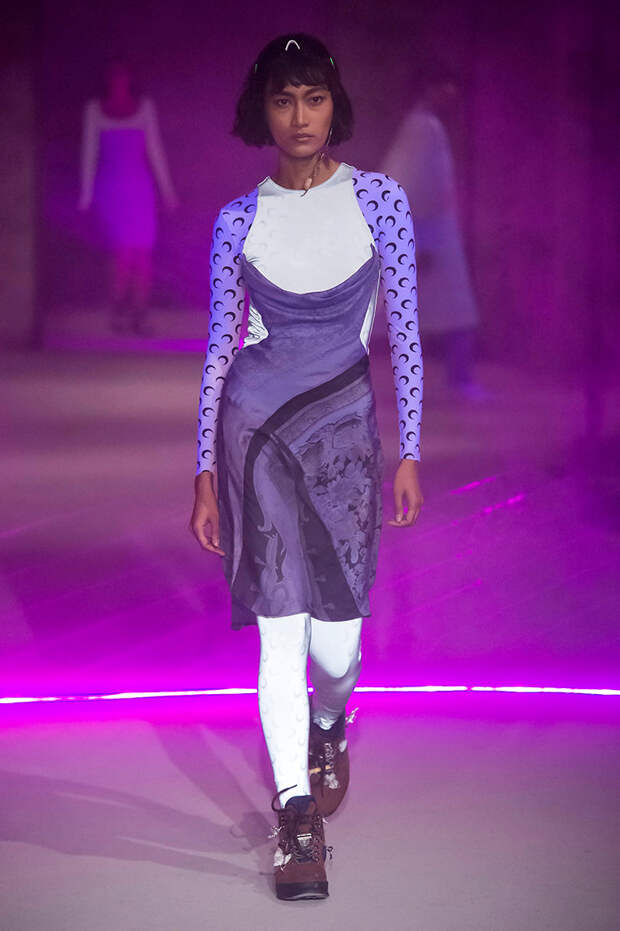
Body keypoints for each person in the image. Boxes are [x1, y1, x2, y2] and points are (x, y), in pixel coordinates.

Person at [190, 34, 423, 901]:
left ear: (334, 105)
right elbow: (219, 350)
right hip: (256, 435)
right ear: (264, 109)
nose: (299, 116)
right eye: (284, 99)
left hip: (346, 441)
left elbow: (404, 330)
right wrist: (203, 468)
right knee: (279, 628)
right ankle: (295, 820)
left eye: (314, 98)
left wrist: (411, 449)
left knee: (338, 643)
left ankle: (331, 719)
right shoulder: (237, 221)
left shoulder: (380, 201)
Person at [382, 65, 483, 397]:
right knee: (451, 310)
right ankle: (458, 380)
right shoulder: (423, 127)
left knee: (442, 311)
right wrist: (415, 240)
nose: (451, 94)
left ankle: (457, 379)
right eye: (445, 85)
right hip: (428, 233)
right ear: (429, 87)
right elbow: (412, 183)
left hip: (432, 232)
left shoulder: (423, 126)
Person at [78, 59, 178, 335]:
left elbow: (155, 150)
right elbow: (90, 152)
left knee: (142, 254)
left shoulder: (143, 107)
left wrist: (167, 191)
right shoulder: (95, 110)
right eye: (115, 78)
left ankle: (140, 313)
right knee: (121, 253)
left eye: (124, 77)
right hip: (111, 190)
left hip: (140, 189)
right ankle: (119, 312)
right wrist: (86, 195)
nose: (119, 83)